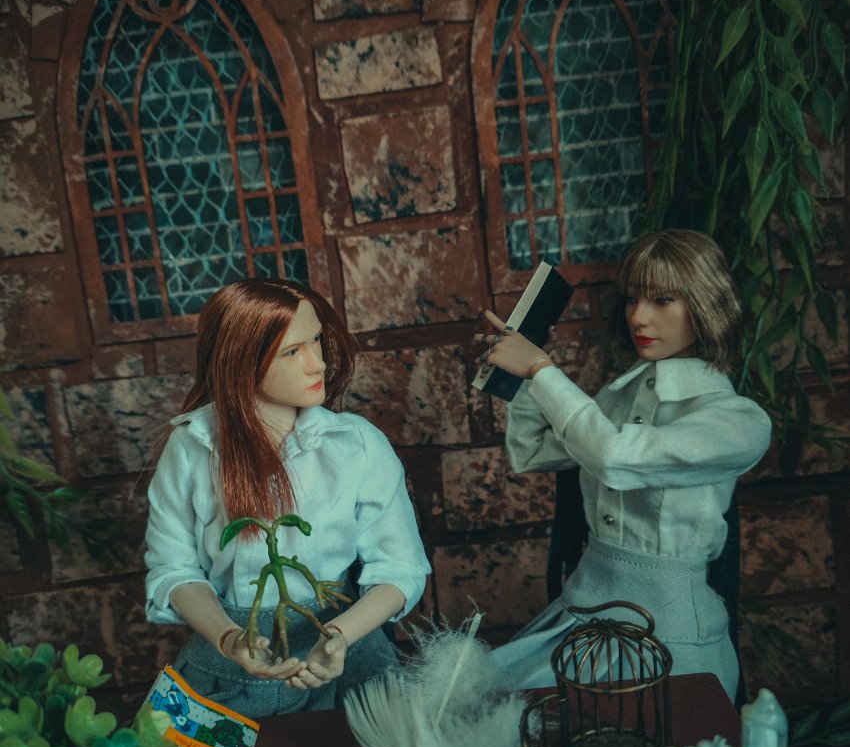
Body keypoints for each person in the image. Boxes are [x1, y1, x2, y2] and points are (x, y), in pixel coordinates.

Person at [478, 230, 772, 702]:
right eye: (633, 298)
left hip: (670, 637)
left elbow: (613, 458)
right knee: (479, 710)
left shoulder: (737, 421)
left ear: (706, 305)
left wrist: (540, 369)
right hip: (580, 616)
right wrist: (525, 372)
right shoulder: (620, 396)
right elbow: (532, 450)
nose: (639, 316)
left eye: (662, 300)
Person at [145, 278, 430, 717]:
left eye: (316, 341)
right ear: (241, 360)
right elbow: (173, 568)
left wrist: (340, 636)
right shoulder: (193, 445)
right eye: (292, 351)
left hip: (347, 660)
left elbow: (400, 568)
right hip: (228, 668)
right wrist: (229, 637)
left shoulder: (356, 444)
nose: (318, 363)